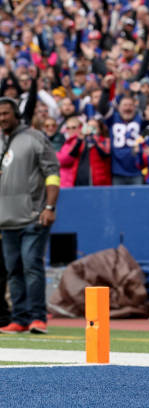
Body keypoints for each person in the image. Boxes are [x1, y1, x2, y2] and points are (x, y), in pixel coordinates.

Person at [0, 97, 60, 334]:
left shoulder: (35, 138)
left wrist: (50, 207)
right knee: (13, 270)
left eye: (5, 113)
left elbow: (53, 174)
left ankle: (38, 317)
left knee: (31, 266)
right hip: (6, 219)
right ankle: (20, 318)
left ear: (16, 114)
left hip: (34, 216)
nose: (2, 118)